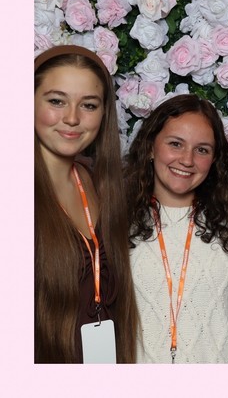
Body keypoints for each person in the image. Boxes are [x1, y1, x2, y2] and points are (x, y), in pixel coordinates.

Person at [34, 45, 139, 363]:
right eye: (56, 101)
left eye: (89, 105)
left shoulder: (99, 181)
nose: (72, 118)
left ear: (104, 112)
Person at [125, 94, 228, 363]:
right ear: (151, 147)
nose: (187, 160)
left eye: (202, 149)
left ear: (215, 159)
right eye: (176, 144)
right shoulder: (118, 220)